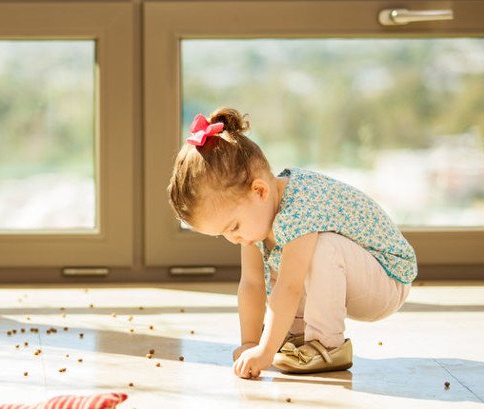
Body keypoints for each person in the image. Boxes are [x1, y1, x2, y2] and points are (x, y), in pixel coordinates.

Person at [167, 108, 417, 379]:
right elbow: (251, 284)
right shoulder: (257, 215)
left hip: (387, 280)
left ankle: (328, 344)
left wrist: (266, 351)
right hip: (351, 280)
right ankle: (297, 337)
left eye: (234, 227)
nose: (234, 238)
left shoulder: (301, 206)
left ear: (260, 191)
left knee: (320, 248)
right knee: (289, 259)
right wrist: (251, 343)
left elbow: (289, 287)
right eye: (224, 234)